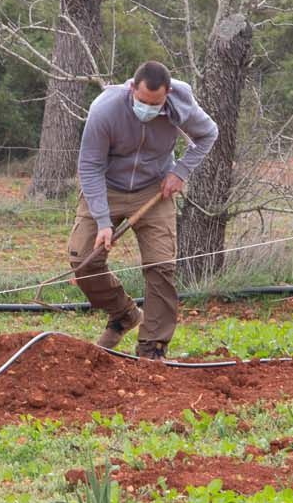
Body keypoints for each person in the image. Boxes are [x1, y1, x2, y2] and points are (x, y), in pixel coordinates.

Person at [69, 60, 218, 359]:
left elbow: (208, 134)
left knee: (161, 266)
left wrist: (180, 172)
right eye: (142, 101)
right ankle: (123, 313)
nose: (148, 109)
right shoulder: (105, 109)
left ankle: (152, 347)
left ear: (168, 93)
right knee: (83, 260)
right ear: (131, 89)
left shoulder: (180, 101)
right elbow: (90, 165)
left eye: (155, 103)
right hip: (107, 186)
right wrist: (102, 221)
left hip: (154, 188)